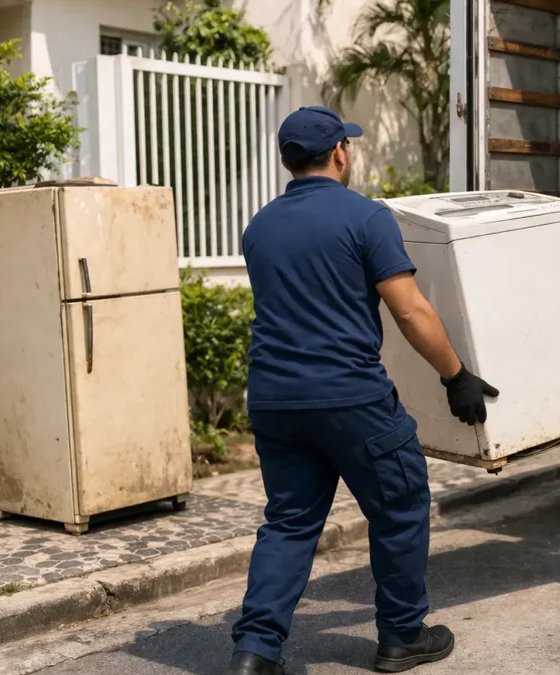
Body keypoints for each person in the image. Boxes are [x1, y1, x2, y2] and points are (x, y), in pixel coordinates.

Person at [225, 106, 498, 675]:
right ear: (341, 153)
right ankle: (401, 636)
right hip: (349, 395)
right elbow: (409, 308)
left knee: (290, 521)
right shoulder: (365, 217)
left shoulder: (259, 226)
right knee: (399, 503)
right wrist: (456, 375)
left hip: (274, 398)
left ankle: (254, 652)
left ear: (286, 160)